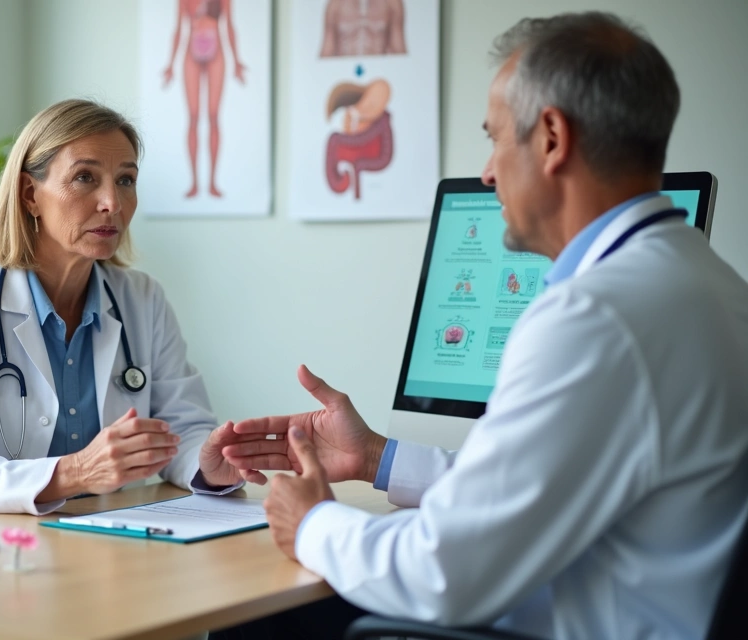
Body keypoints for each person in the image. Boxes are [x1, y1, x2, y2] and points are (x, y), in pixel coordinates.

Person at [214, 12, 748, 640]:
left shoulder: (594, 318)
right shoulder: (713, 286)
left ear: (551, 137)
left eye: (495, 138)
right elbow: (536, 487)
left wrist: (312, 525)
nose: (489, 172)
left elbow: (448, 573)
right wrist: (378, 459)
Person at [0, 99, 257, 530]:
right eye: (85, 178)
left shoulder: (142, 299)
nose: (112, 203)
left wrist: (212, 464)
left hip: (84, 542)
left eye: (126, 180)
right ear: (30, 195)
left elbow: (184, 429)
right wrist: (74, 473)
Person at [162, 0, 246, 198]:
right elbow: (178, 29)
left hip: (216, 52)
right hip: (191, 52)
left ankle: (212, 183)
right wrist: (170, 64)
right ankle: (194, 183)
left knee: (214, 117)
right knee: (192, 118)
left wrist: (236, 60)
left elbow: (229, 26)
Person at [319, 0, 406, 58]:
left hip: (379, 72)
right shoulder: (335, 4)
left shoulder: (392, 3)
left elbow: (398, 50)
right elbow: (327, 52)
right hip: (343, 74)